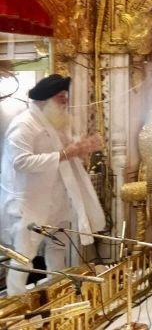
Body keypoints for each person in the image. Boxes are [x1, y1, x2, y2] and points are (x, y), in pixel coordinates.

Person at [0, 75, 105, 295]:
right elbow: (20, 162)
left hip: (57, 202)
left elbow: (67, 155)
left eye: (66, 97)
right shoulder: (24, 125)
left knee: (58, 249)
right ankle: (15, 306)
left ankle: (58, 292)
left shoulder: (56, 122)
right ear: (45, 100)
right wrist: (66, 153)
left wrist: (83, 147)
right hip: (29, 204)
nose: (65, 102)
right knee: (24, 257)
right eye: (60, 98)